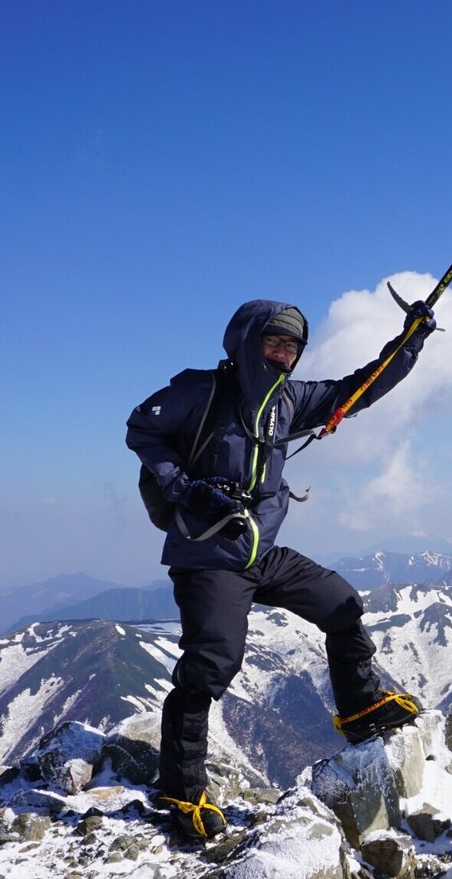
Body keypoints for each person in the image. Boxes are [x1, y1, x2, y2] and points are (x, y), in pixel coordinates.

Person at [125, 298, 432, 838]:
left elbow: (358, 389)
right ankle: (181, 790)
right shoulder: (201, 390)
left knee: (342, 603)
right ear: (248, 342)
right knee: (211, 665)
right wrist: (185, 488)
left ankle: (360, 707)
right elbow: (140, 428)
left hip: (259, 552)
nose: (284, 353)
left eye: (292, 346)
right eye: (274, 342)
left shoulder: (288, 401)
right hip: (209, 557)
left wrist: (410, 342)